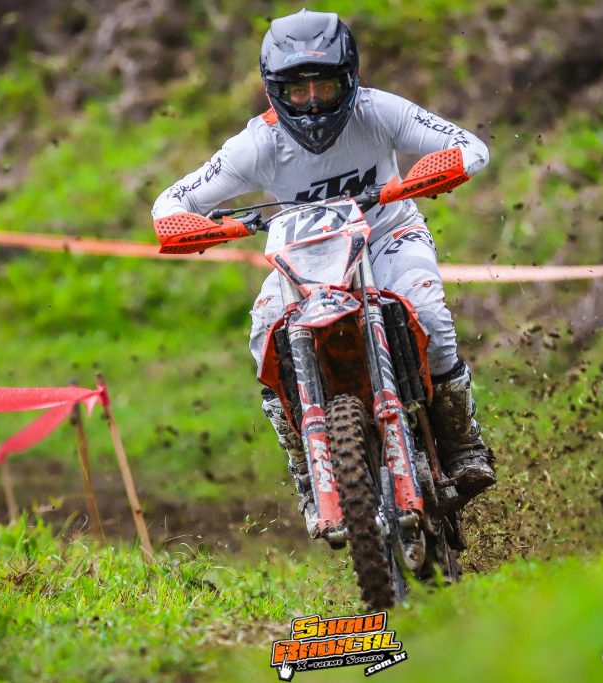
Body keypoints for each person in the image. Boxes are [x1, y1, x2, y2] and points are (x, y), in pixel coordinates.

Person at [152, 10, 495, 537]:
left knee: (429, 313)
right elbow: (170, 202)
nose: (313, 103)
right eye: (298, 90)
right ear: (274, 91)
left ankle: (462, 442)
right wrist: (205, 227)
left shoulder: (379, 111)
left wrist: (429, 175)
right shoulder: (256, 144)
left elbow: (470, 146)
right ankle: (308, 474)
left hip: (388, 235)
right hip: (306, 258)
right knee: (265, 337)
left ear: (349, 79)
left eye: (325, 87)